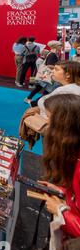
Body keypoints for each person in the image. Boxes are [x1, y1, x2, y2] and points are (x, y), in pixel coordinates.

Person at [38, 94, 80, 239]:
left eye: (49, 119)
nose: (45, 124)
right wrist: (62, 191)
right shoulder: (73, 154)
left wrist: (60, 210)